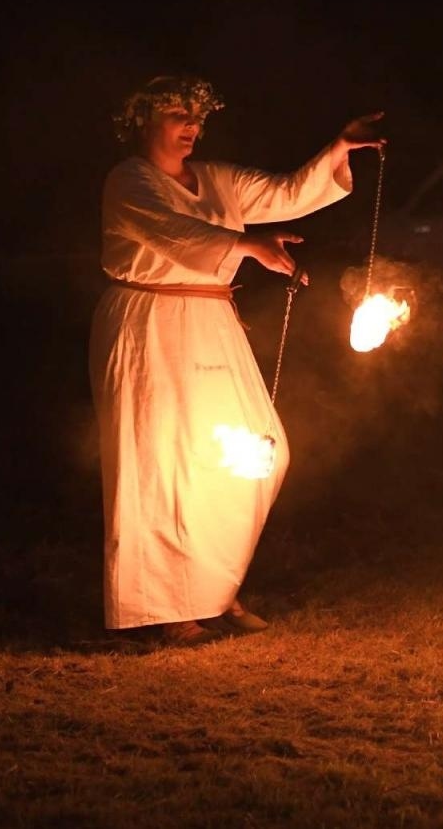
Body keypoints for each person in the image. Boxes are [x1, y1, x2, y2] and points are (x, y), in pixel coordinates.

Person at [91, 75, 385, 645]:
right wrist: (248, 245)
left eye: (198, 115)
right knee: (163, 463)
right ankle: (164, 608)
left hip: (210, 318)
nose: (192, 125)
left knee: (257, 454)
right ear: (142, 121)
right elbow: (174, 231)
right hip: (148, 321)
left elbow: (286, 192)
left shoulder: (219, 179)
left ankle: (213, 590)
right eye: (178, 113)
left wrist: (338, 149)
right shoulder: (128, 180)